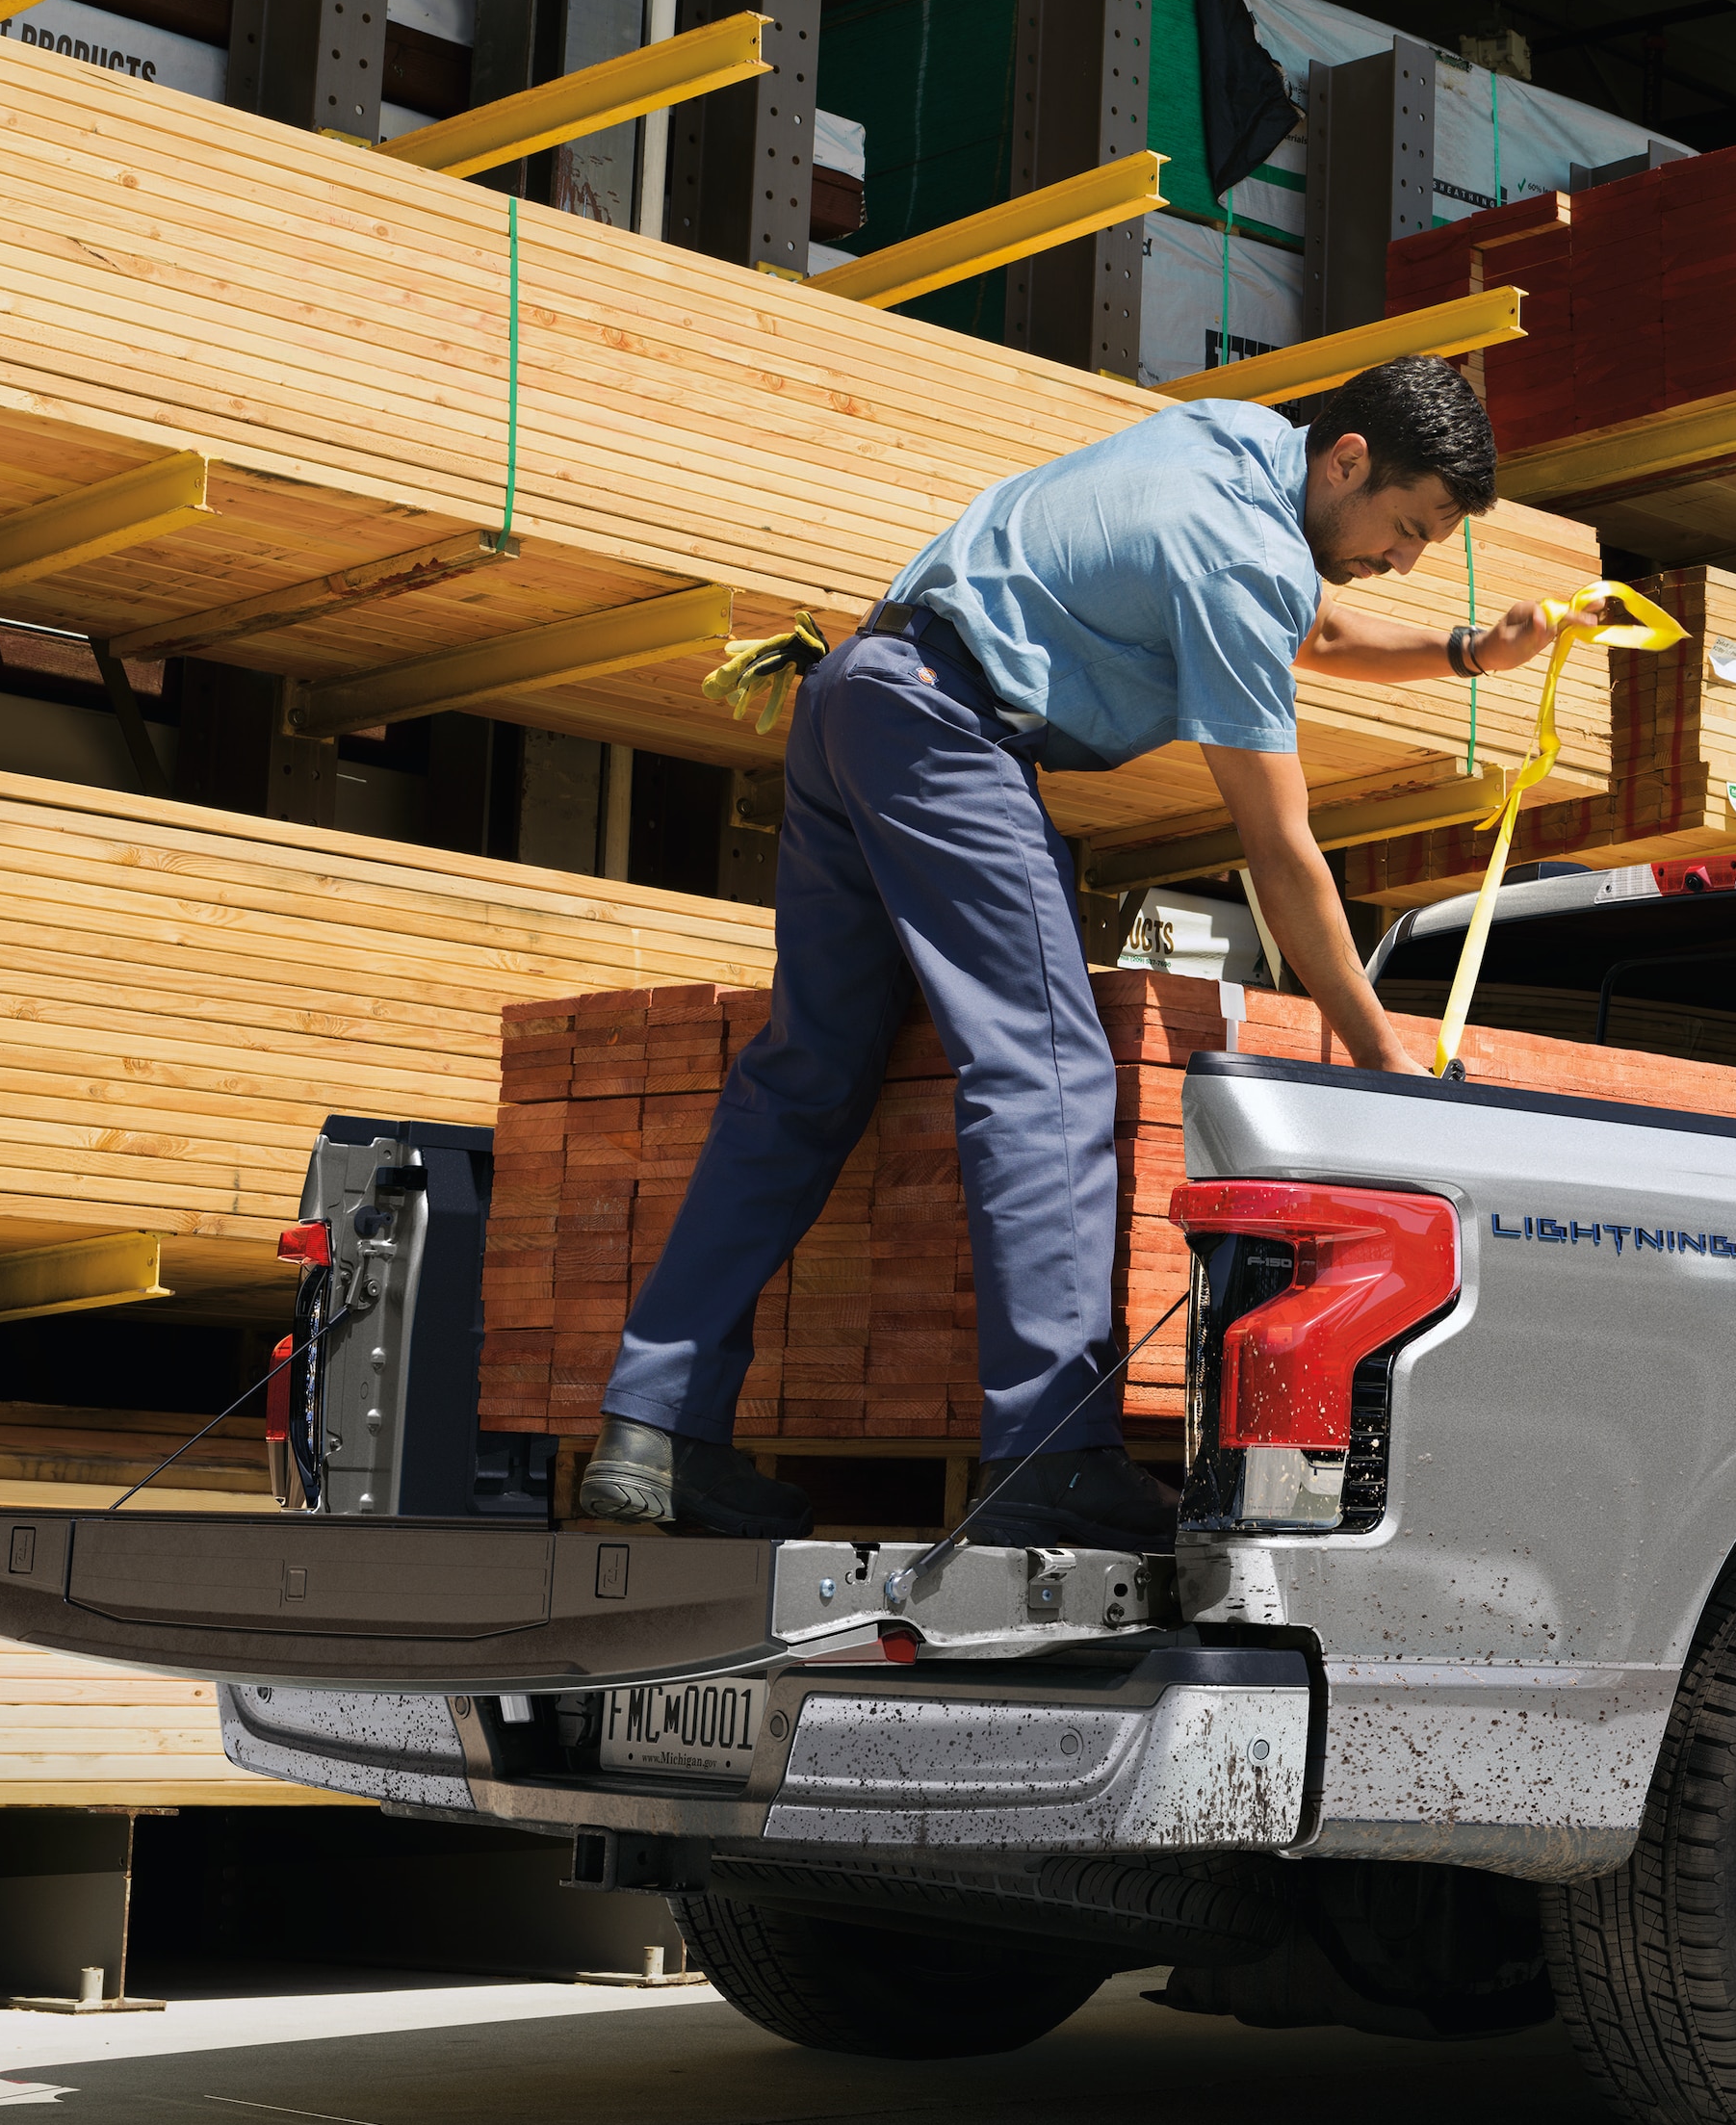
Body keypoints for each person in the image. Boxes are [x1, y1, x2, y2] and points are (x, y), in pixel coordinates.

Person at [576, 355, 1544, 1543]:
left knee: (807, 1073)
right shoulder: (1243, 558)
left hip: (855, 697)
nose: (1408, 558)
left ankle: (654, 1428)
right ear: (1347, 460)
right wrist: (1382, 1056)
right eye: (1409, 527)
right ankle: (1048, 1455)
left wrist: (1465, 653)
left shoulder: (1232, 440)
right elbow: (1279, 848)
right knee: (1044, 1073)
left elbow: (1307, 622)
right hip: (947, 730)